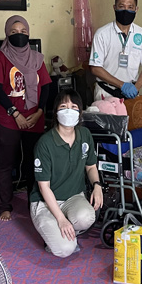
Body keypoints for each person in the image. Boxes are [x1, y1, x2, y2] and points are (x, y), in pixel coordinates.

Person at [0, 15, 51, 222]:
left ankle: (35, 203)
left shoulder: (37, 58)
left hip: (35, 118)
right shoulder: (0, 57)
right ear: (7, 34)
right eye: (14, 32)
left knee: (35, 163)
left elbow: (46, 86)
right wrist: (15, 113)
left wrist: (39, 112)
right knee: (6, 164)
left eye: (23, 32)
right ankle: (4, 205)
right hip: (9, 119)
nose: (19, 35)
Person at [30, 89, 103, 257]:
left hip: (72, 197)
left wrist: (97, 185)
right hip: (45, 202)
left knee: (87, 217)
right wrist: (61, 220)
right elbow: (43, 187)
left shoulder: (84, 135)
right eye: (63, 107)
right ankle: (57, 229)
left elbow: (91, 166)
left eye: (74, 107)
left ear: (80, 112)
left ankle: (63, 229)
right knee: (65, 249)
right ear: (56, 112)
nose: (69, 111)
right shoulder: (45, 143)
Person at [89, 0, 142, 101]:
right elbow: (95, 68)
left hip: (131, 93)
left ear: (136, 9)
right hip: (106, 91)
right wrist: (122, 85)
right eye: (121, 6)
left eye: (130, 7)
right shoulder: (102, 34)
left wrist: (135, 88)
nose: (126, 11)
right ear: (114, 8)